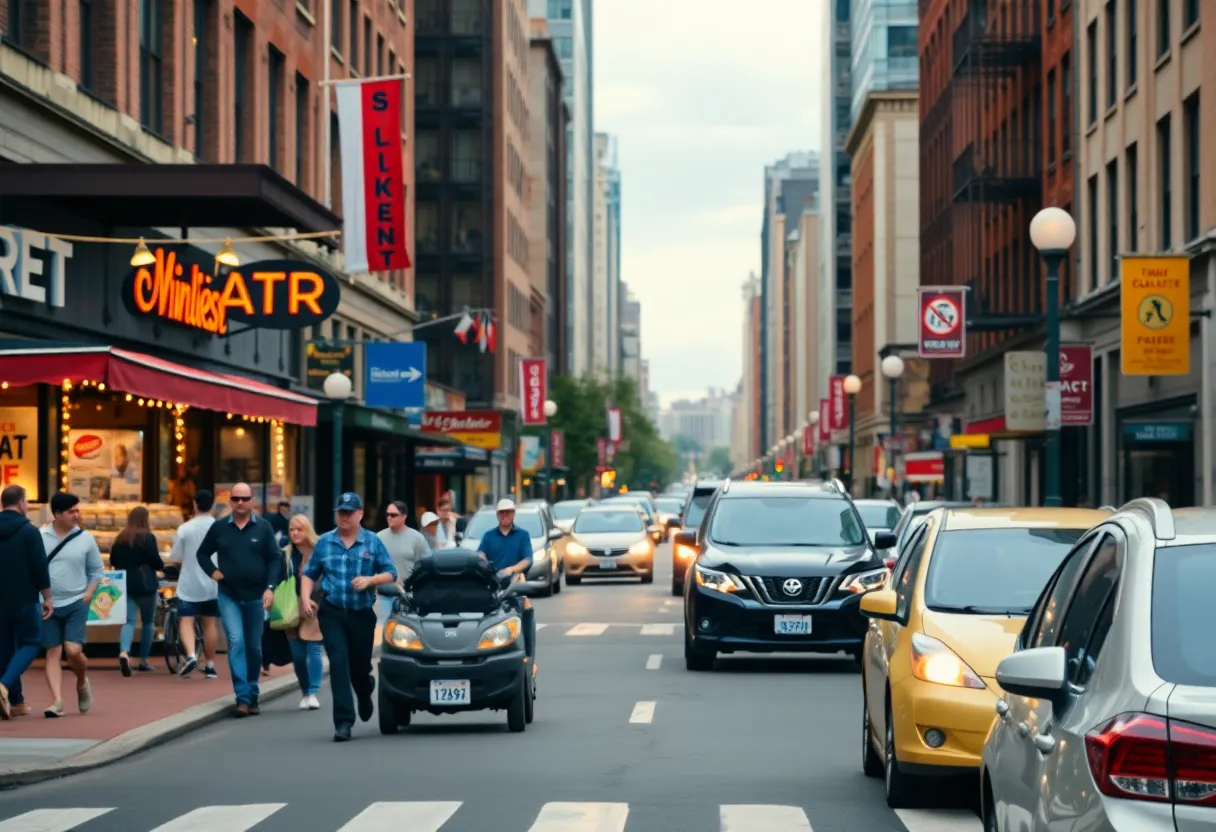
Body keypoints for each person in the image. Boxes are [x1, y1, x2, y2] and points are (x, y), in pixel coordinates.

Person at [300, 492, 397, 742]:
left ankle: (364, 692)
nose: (344, 516)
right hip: (332, 612)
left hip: (362, 615)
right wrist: (305, 597)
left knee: (359, 667)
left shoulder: (372, 542)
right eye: (341, 511)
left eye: (349, 512)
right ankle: (343, 722)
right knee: (339, 663)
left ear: (360, 514)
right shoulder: (324, 542)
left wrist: (370, 580)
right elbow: (309, 573)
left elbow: (391, 573)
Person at [195, 482, 284, 718]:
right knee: (236, 642)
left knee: (254, 648)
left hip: (256, 597)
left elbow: (276, 559)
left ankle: (253, 693)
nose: (240, 503)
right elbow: (201, 553)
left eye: (245, 499)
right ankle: (242, 698)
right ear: (230, 501)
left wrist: (270, 588)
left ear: (252, 500)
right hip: (229, 595)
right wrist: (213, 572)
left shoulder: (263, 527)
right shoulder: (219, 527)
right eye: (236, 499)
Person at [39, 492, 104, 716]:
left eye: (78, 510)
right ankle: (56, 701)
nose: (76, 515)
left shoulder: (86, 538)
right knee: (53, 652)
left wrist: (88, 594)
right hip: (47, 604)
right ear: (57, 514)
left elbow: (97, 570)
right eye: (71, 511)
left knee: (73, 651)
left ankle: (81, 682)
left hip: (77, 601)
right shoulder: (40, 536)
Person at [0, 486, 52, 720]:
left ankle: (17, 702)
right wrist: (47, 597)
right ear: (21, 502)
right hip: (24, 597)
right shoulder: (30, 532)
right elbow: (39, 566)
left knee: (5, 648)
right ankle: (4, 685)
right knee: (32, 641)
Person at [474, 499, 535, 662]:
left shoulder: (522, 535)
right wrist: (483, 560)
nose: (505, 515)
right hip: (492, 588)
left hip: (515, 586)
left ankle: (528, 656)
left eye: (508, 512)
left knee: (525, 615)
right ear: (497, 515)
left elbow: (528, 559)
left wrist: (512, 569)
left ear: (514, 514)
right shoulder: (488, 536)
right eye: (502, 512)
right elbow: (480, 553)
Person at [108, 505, 165, 678]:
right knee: (148, 623)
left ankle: (124, 652)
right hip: (146, 584)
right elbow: (156, 561)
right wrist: (160, 567)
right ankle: (143, 660)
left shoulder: (121, 538)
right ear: (145, 519)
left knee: (129, 621)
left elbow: (113, 561)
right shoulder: (148, 538)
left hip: (126, 584)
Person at [168, 490, 219, 679]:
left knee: (186, 620)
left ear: (195, 505)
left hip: (189, 584)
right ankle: (211, 665)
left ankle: (190, 655)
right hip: (212, 582)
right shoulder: (219, 527)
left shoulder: (185, 528)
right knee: (209, 624)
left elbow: (177, 558)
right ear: (212, 505)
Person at [285, 514, 324, 711]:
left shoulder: (319, 550)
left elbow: (326, 577)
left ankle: (313, 692)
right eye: (292, 529)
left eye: (299, 529)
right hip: (290, 609)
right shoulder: (285, 554)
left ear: (307, 530)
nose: (295, 533)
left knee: (314, 648)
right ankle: (305, 691)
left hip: (314, 605)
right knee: (298, 655)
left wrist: (317, 598)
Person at [374, 501, 429, 625]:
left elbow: (425, 567)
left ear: (403, 517)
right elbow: (371, 566)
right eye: (387, 514)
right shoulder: (378, 538)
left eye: (393, 515)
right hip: (384, 595)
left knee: (407, 632)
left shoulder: (417, 538)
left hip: (407, 595)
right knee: (383, 630)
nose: (389, 518)